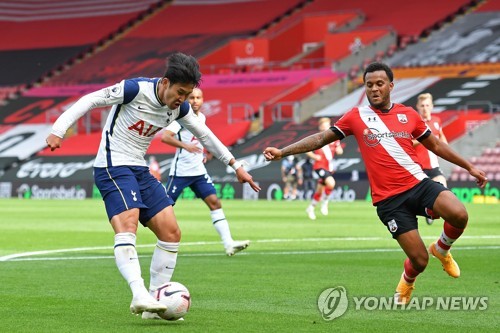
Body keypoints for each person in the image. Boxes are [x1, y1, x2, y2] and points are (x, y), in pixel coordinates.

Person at [45, 52, 260, 318]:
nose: (183, 99)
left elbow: (205, 135)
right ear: (166, 82)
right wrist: (59, 128)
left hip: (139, 168)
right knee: (128, 223)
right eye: (180, 92)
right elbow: (90, 100)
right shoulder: (134, 89)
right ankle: (138, 295)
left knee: (171, 232)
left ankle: (155, 301)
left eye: (188, 93)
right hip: (112, 166)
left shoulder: (179, 108)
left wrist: (236, 165)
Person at [263, 62, 487, 305]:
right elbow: (320, 138)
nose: (374, 89)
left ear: (391, 85)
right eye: (369, 85)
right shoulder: (356, 116)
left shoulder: (409, 114)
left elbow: (436, 145)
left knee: (459, 214)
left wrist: (469, 166)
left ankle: (442, 249)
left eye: (379, 84)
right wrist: (283, 151)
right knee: (419, 261)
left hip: (419, 184)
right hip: (390, 201)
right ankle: (407, 281)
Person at [161, 87, 251, 256]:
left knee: (215, 203)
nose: (195, 101)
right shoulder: (179, 117)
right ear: (187, 100)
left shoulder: (202, 117)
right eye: (192, 98)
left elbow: (201, 138)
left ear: (203, 100)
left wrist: (204, 153)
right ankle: (158, 241)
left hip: (198, 172)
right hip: (180, 172)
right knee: (164, 208)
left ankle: (228, 243)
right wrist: (186, 146)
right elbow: (166, 137)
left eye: (198, 98)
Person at [413, 93, 448, 225]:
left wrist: (445, 148)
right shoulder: (414, 123)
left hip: (433, 167)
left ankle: (432, 210)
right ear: (418, 107)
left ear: (432, 106)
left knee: (444, 192)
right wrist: (424, 137)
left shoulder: (436, 121)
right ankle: (426, 209)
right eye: (422, 106)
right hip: (418, 168)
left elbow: (441, 136)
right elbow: (408, 143)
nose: (425, 108)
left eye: (427, 105)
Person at [304, 117, 343, 220]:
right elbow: (307, 149)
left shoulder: (334, 138)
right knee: (331, 183)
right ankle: (325, 202)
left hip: (329, 167)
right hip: (319, 166)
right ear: (321, 127)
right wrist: (314, 156)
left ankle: (311, 208)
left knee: (320, 190)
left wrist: (338, 149)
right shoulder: (317, 138)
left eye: (328, 125)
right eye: (325, 125)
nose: (327, 127)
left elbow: (339, 151)